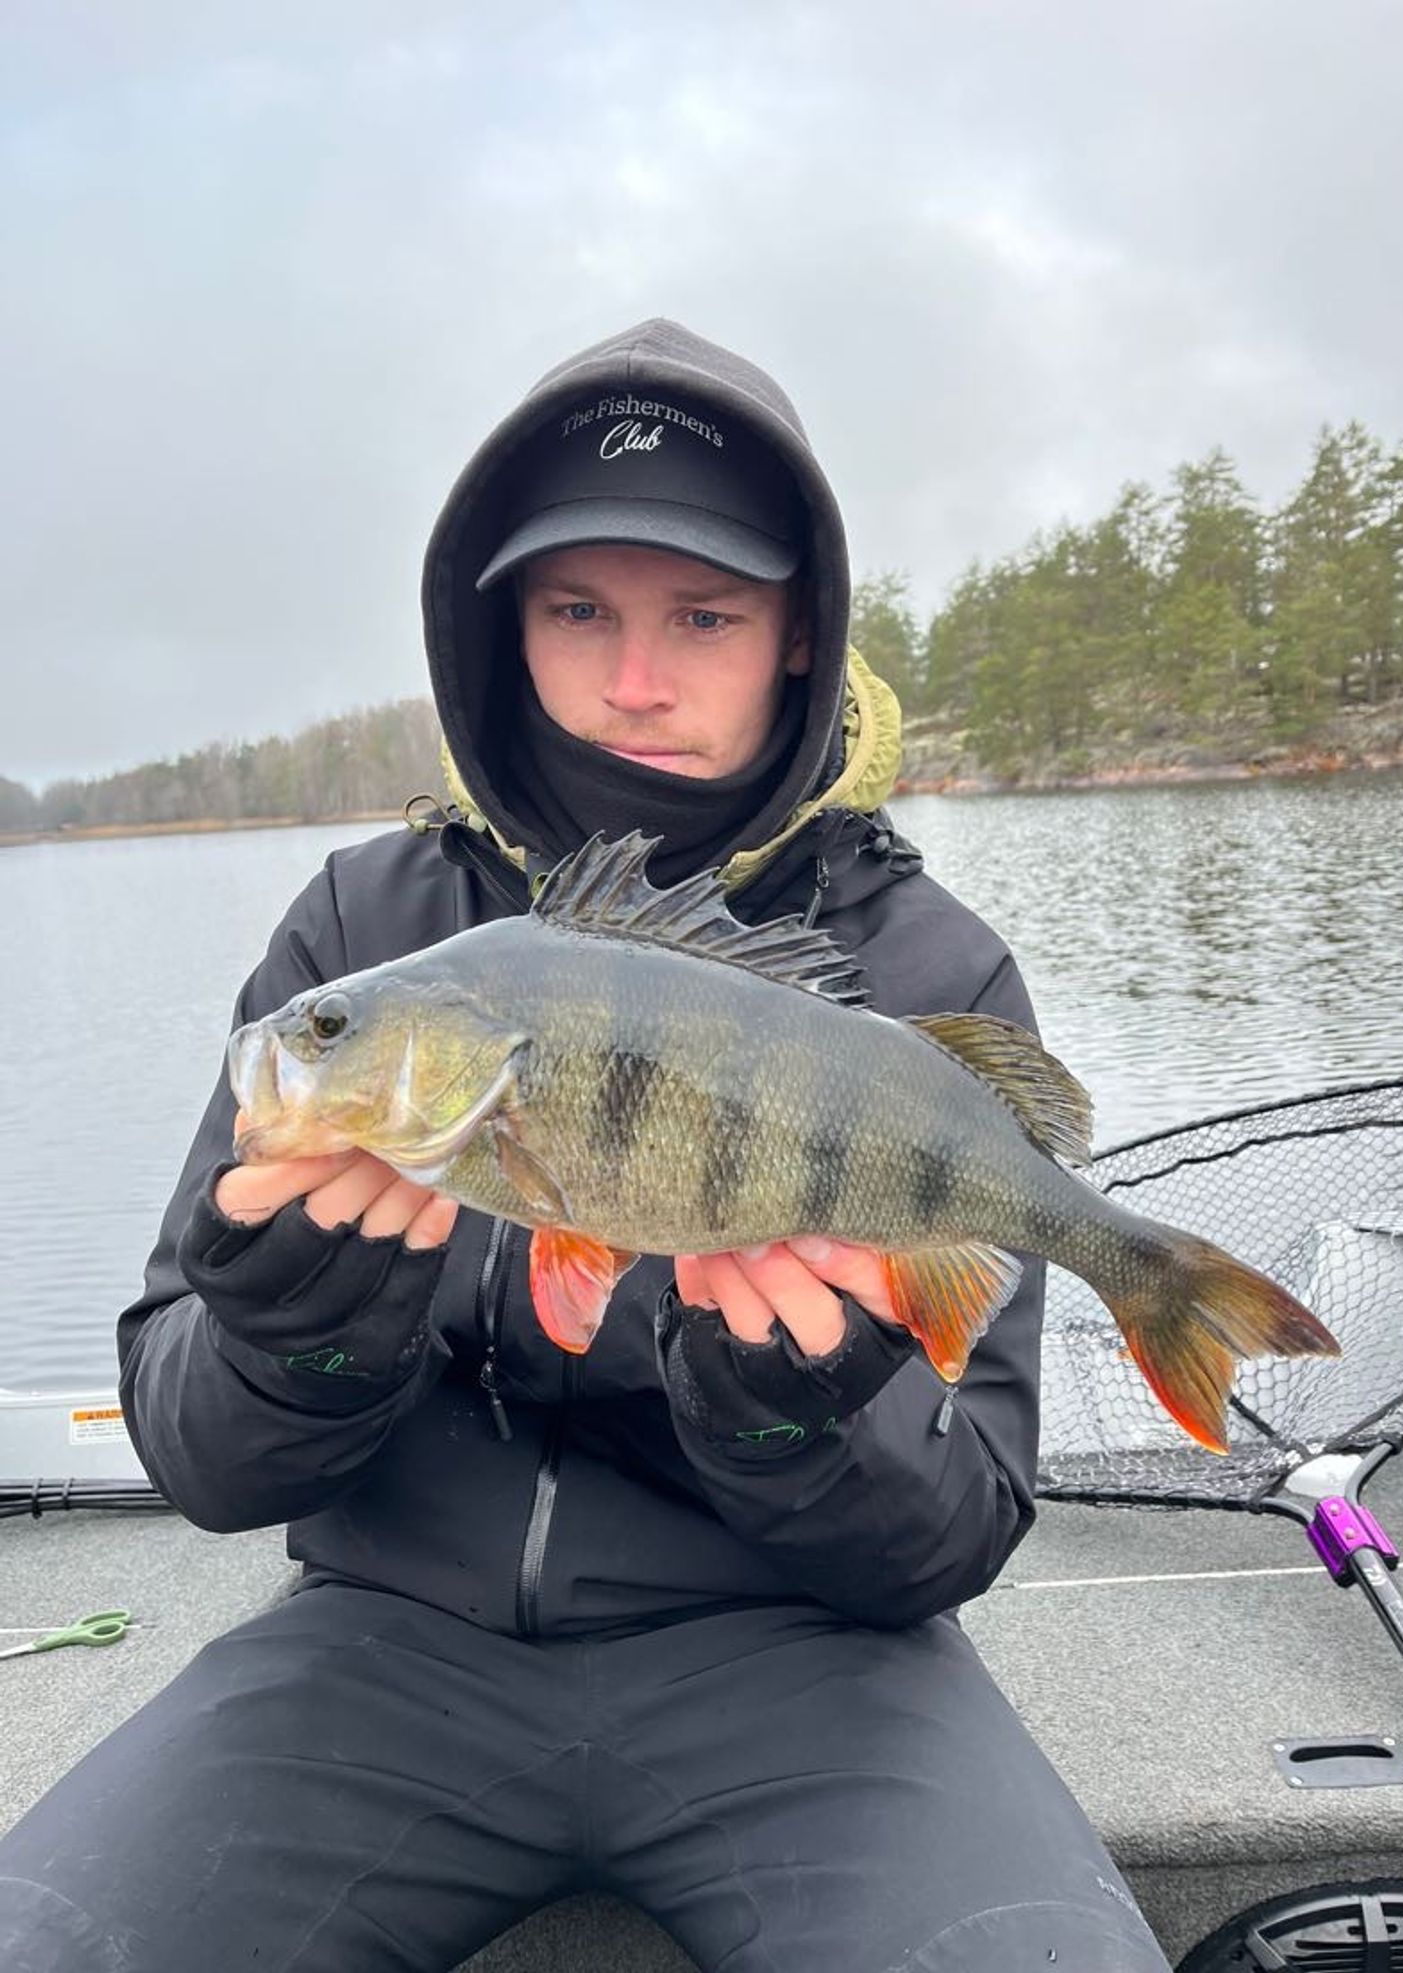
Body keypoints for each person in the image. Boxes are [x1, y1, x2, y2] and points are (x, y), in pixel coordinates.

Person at [0, 319, 1172, 1971]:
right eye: (577, 611)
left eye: (705, 614)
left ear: (799, 634)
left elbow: (956, 1527)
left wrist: (790, 1416)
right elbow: (201, 1460)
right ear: (504, 626)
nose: (635, 679)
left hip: (811, 1663)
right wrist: (297, 1334)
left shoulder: (925, 977)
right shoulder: (364, 935)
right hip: (380, 1648)